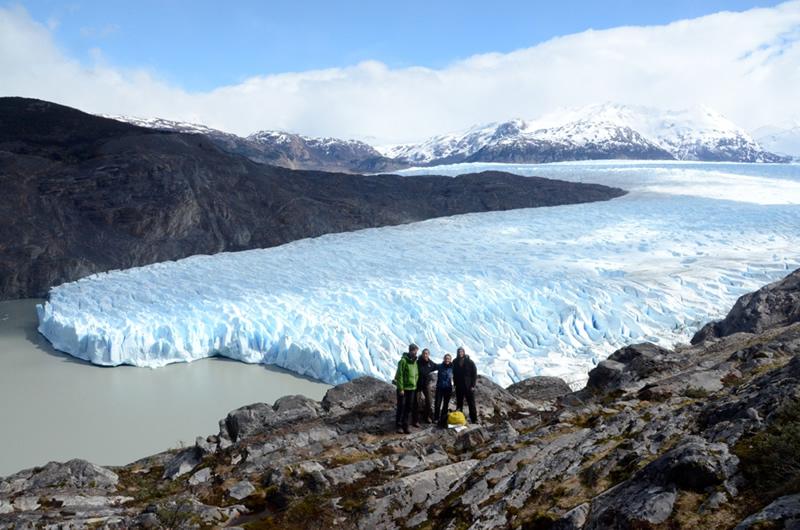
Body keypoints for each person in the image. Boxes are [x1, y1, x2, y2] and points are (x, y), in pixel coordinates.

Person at [394, 343, 419, 434]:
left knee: (409, 407)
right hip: (404, 388)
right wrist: (401, 388)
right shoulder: (403, 361)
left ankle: (406, 425)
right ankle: (398, 425)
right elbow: (400, 375)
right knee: (401, 407)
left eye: (416, 350)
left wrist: (415, 384)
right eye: (413, 350)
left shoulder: (415, 361)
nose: (415, 352)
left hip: (412, 388)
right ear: (410, 350)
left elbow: (416, 374)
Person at [413, 348, 439, 425]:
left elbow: (437, 367)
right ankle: (415, 420)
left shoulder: (430, 363)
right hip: (417, 385)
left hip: (426, 384)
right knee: (416, 402)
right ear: (422, 354)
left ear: (428, 354)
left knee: (429, 401)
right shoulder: (418, 362)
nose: (425, 355)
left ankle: (426, 416)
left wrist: (447, 364)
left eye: (426, 353)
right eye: (424, 353)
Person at [452, 346, 478, 423]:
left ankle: (474, 419)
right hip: (459, 386)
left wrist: (473, 385)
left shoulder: (470, 362)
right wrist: (455, 383)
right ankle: (459, 418)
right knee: (459, 403)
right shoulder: (455, 361)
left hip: (468, 386)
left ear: (464, 352)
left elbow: (474, 374)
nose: (460, 353)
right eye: (459, 352)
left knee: (471, 403)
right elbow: (454, 373)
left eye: (461, 351)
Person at [433, 353, 454, 427]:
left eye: (448, 359)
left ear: (450, 360)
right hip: (440, 387)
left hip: (448, 388)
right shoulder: (440, 366)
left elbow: (458, 374)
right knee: (437, 403)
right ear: (443, 359)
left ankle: (443, 417)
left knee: (445, 404)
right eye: (446, 358)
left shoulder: (452, 367)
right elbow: (431, 367)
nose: (447, 360)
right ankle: (436, 417)